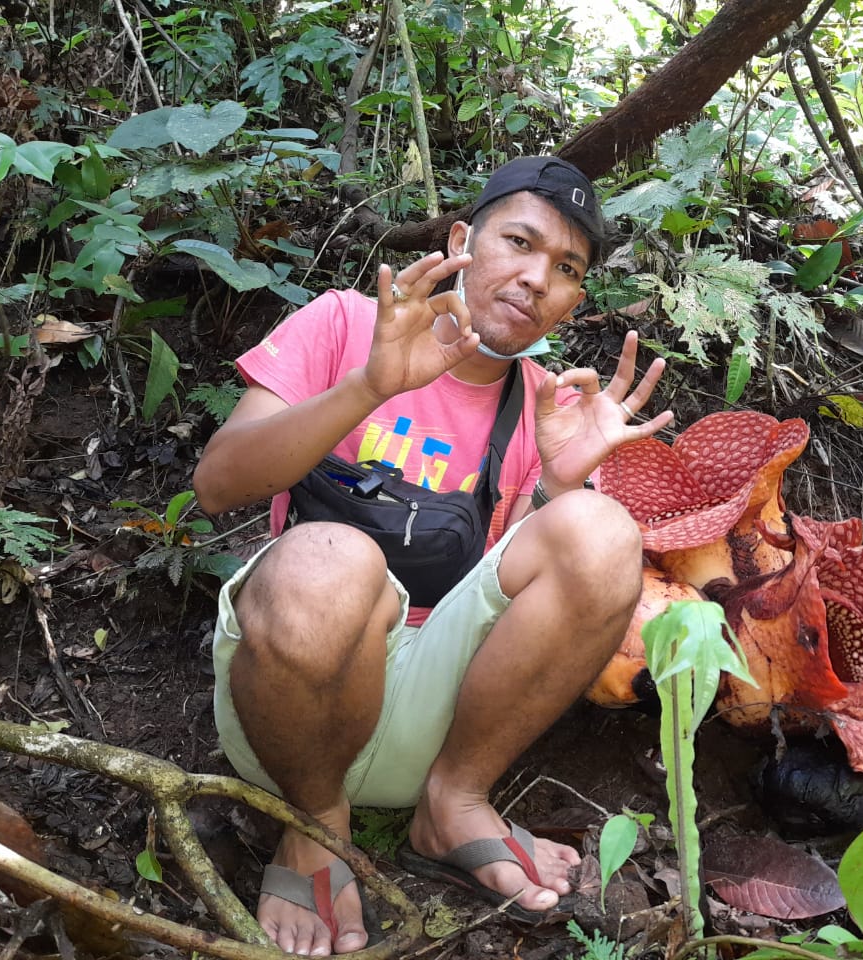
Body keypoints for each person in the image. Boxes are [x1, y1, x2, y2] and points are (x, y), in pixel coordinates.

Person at [192, 156, 674, 956]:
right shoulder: (348, 323)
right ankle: (312, 827)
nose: (534, 278)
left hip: (436, 725)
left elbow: (506, 606)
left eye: (564, 269)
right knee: (329, 558)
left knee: (603, 529)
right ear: (461, 240)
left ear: (574, 301)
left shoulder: (546, 407)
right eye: (518, 241)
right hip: (288, 714)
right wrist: (369, 386)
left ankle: (454, 807)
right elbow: (217, 484)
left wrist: (558, 483)